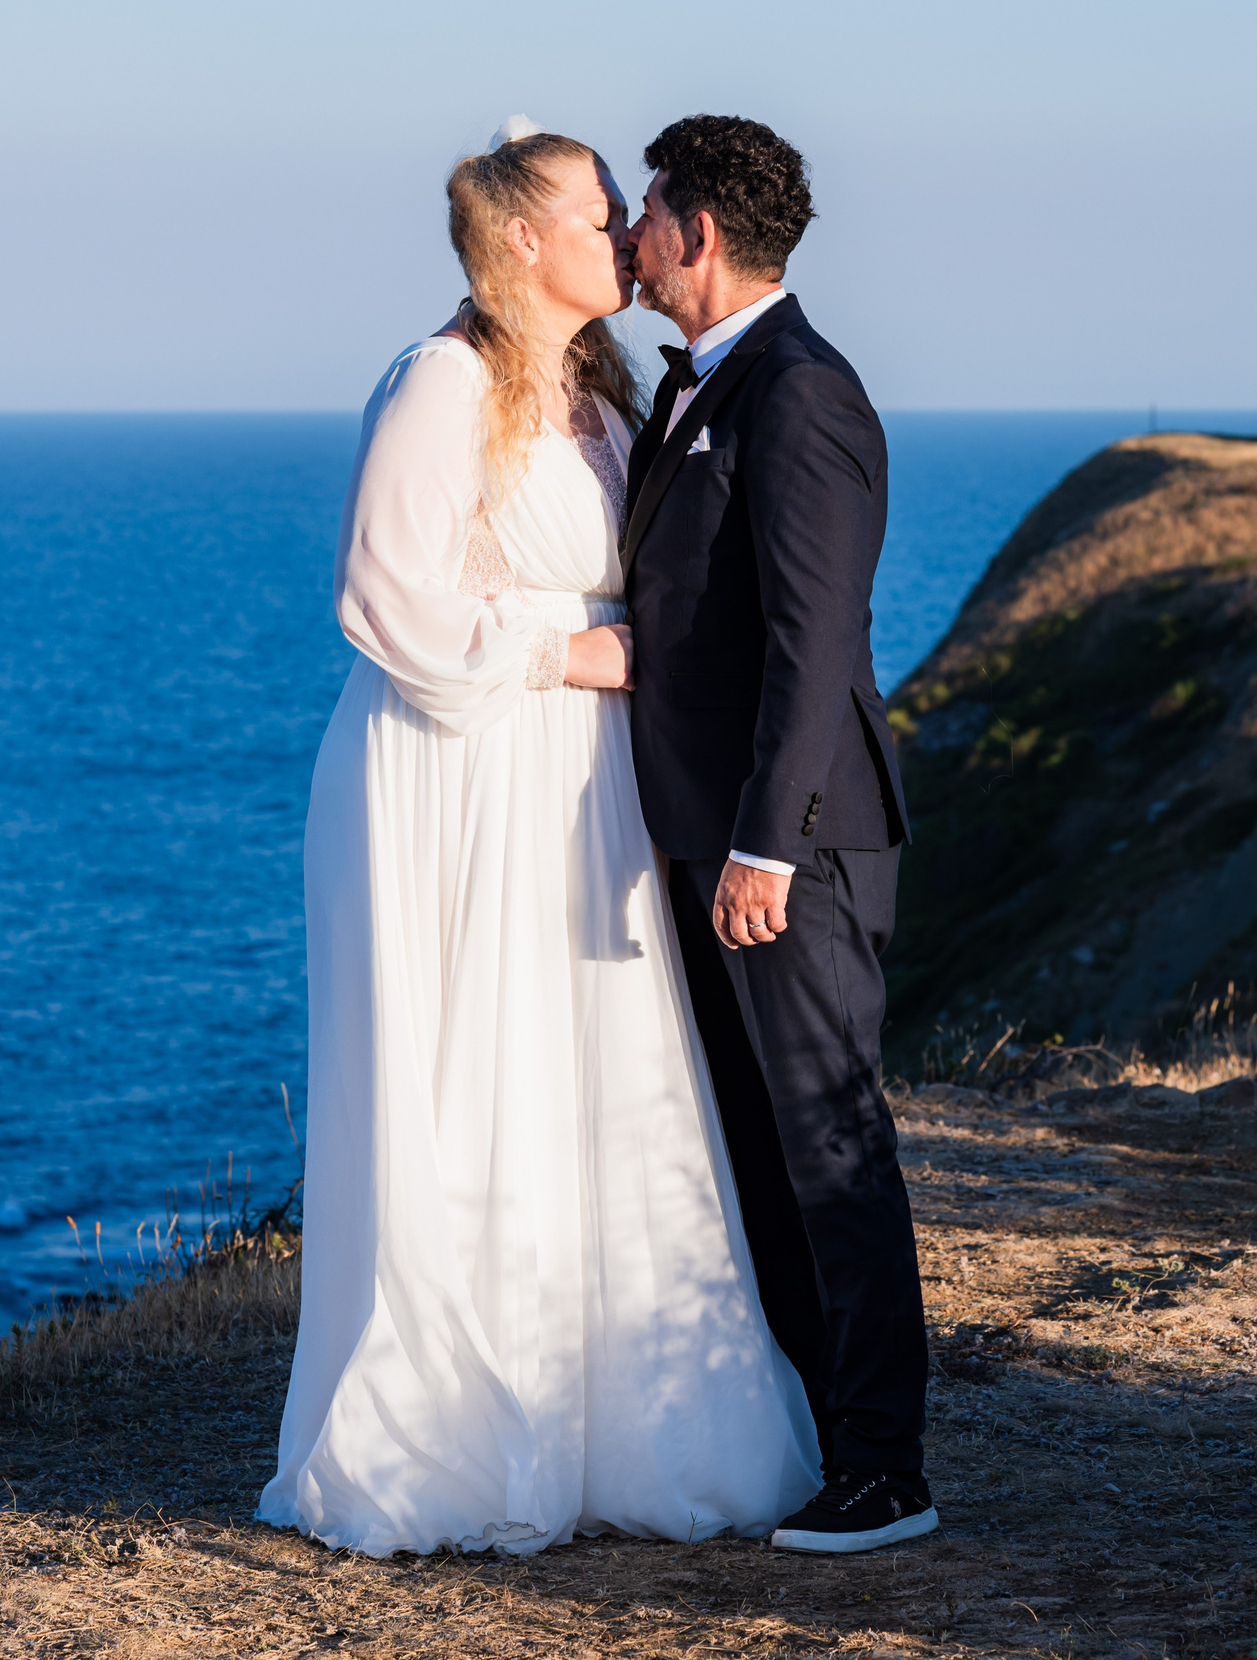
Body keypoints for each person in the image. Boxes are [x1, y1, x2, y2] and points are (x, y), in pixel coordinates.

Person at [258, 117, 820, 1557]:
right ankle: (452, 1433)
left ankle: (611, 1422)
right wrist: (577, 658)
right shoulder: (441, 383)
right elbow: (386, 600)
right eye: (595, 208)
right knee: (474, 1068)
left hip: (577, 781)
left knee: (597, 1069)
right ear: (522, 238)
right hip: (459, 769)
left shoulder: (601, 391)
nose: (626, 228)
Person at [621, 115, 932, 1554]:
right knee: (756, 1147)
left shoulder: (799, 394)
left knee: (826, 1140)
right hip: (722, 837)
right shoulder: (702, 388)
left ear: (698, 233)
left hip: (789, 844)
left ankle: (886, 1468)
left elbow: (818, 647)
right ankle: (823, 1432)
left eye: (644, 212)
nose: (630, 234)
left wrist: (761, 848)